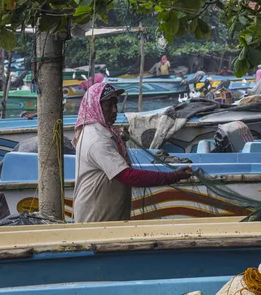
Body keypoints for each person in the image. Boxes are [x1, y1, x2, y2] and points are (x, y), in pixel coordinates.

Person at [72, 83, 193, 223]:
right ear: (96, 107)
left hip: (107, 216)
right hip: (95, 219)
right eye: (109, 106)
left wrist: (121, 139)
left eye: (115, 105)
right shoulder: (97, 140)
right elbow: (127, 176)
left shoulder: (104, 131)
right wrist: (173, 176)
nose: (114, 110)